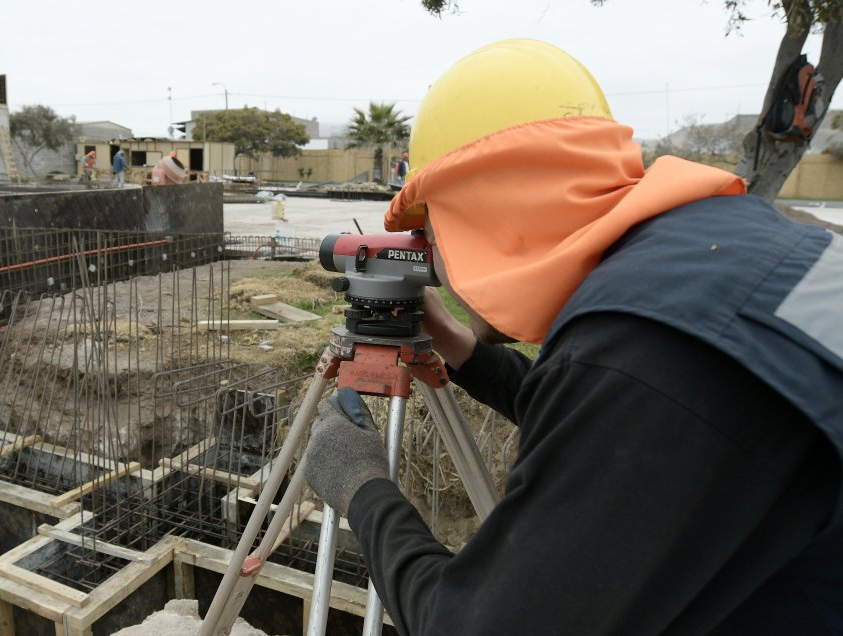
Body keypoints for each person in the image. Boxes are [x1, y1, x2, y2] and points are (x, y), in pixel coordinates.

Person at [303, 39, 843, 634]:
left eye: (432, 229)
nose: (434, 259)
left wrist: (362, 487)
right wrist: (463, 350)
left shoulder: (644, 360)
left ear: (476, 209)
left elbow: (472, 627)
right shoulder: (713, 256)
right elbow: (624, 411)